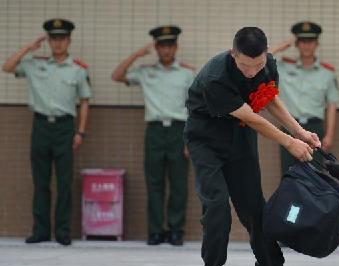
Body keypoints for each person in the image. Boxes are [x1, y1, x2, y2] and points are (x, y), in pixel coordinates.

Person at [184, 27, 320, 266]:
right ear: (233, 54)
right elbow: (252, 117)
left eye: (257, 65)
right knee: (217, 207)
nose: (251, 71)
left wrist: (300, 132)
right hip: (206, 139)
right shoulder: (216, 77)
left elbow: (267, 99)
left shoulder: (266, 65)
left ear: (266, 56)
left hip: (240, 137)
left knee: (256, 210)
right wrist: (288, 142)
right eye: (245, 65)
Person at [2, 18, 92, 246]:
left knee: (64, 182)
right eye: (53, 39)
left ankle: (62, 232)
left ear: (69, 41)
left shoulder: (77, 70)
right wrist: (29, 48)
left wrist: (80, 132)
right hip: (40, 126)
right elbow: (7, 66)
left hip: (65, 127)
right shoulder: (34, 64)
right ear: (48, 41)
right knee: (41, 182)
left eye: (62, 39)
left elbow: (84, 101)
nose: (58, 43)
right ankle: (40, 230)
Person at [111, 25, 195, 246]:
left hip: (179, 130)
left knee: (178, 184)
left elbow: (196, 108)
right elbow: (116, 76)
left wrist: (190, 139)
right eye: (161, 45)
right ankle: (156, 231)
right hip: (155, 131)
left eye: (170, 45)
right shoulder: (145, 72)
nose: (166, 50)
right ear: (156, 48)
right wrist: (137, 54)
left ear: (175, 47)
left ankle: (176, 230)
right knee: (154, 183)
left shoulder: (187, 74)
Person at [269, 21, 339, 175]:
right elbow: (261, 59)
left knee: (314, 177)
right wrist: (285, 45)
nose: (307, 46)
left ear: (317, 44)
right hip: (289, 127)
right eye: (302, 41)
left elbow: (332, 105)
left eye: (311, 41)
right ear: (297, 43)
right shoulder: (283, 67)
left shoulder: (327, 72)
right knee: (289, 175)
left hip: (315, 128)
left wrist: (329, 134)